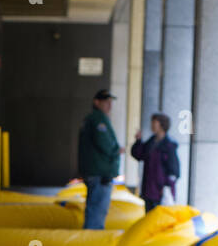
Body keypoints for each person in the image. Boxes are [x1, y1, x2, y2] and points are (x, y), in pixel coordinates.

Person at [77, 89, 122, 230]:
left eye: (110, 102)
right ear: (97, 102)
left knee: (94, 208)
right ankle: (92, 243)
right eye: (106, 102)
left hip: (95, 171)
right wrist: (116, 150)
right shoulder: (98, 119)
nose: (109, 105)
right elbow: (104, 142)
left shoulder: (92, 119)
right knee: (97, 210)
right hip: (100, 172)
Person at [130, 113, 181, 212]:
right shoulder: (151, 141)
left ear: (162, 125)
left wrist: (167, 186)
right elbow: (139, 155)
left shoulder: (169, 146)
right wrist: (138, 141)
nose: (152, 125)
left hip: (160, 191)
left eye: (154, 123)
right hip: (149, 189)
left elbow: (174, 171)